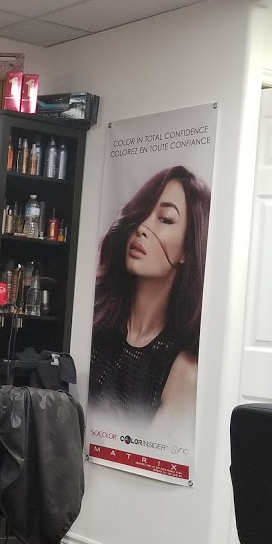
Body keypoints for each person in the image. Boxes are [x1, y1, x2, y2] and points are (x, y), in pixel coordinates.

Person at [89, 165, 211, 424]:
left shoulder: (184, 370)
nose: (143, 227)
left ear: (187, 251)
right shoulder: (94, 324)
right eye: (143, 212)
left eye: (165, 219)